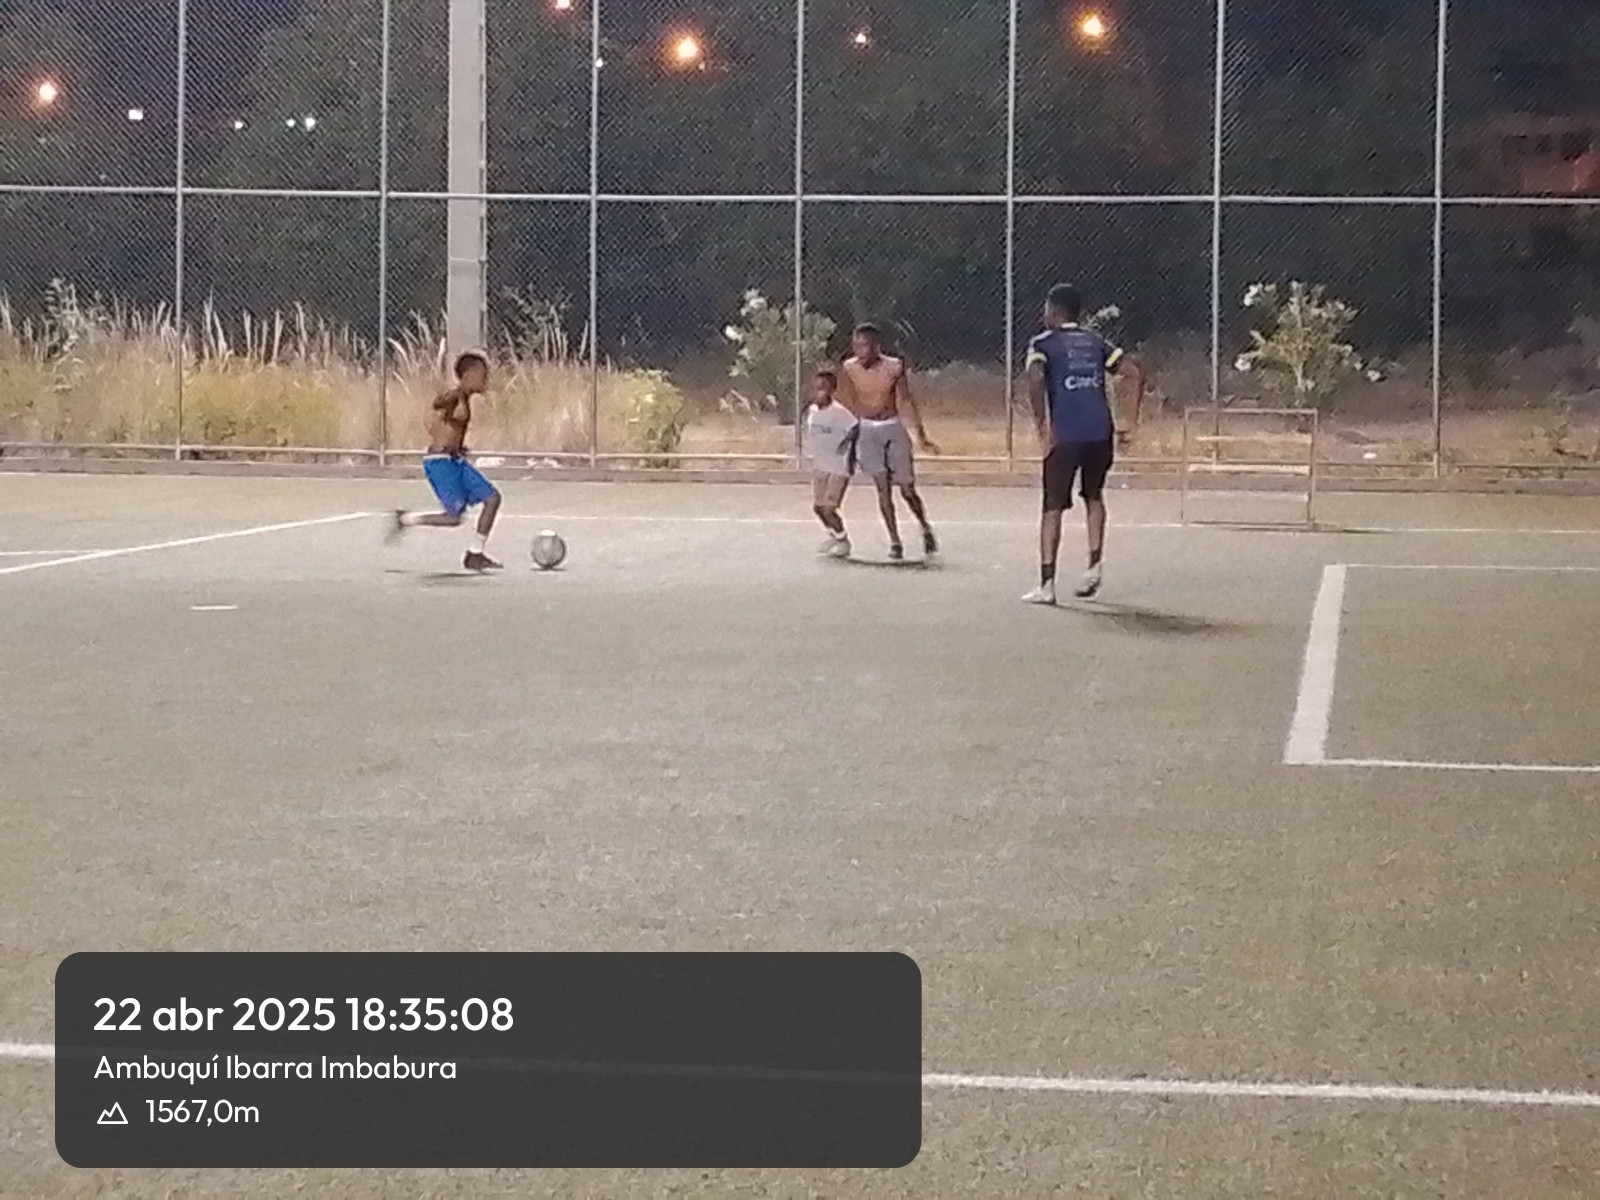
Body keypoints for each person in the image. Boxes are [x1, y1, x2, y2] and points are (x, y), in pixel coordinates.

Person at [1021, 284, 1145, 606]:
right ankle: (1094, 567)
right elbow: (1131, 372)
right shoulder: (1096, 341)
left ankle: (1047, 584)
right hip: (1100, 432)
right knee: (1094, 496)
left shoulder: (1042, 343)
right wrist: (1129, 421)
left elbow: (1035, 378)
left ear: (1053, 310)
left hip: (1065, 434)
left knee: (1052, 507)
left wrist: (1042, 427)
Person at [388, 351, 504, 572]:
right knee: (453, 518)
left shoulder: (465, 397)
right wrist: (447, 399)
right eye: (482, 375)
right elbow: (438, 405)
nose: (485, 380)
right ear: (468, 375)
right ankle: (406, 519)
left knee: (492, 499)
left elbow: (452, 428)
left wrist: (458, 446)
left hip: (455, 461)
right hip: (440, 462)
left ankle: (475, 554)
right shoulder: (456, 395)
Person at [837, 324, 940, 562]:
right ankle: (895, 540)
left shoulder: (893, 367)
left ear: (876, 346)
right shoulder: (849, 368)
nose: (860, 351)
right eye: (856, 346)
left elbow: (906, 401)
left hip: (892, 427)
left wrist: (921, 436)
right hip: (867, 430)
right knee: (882, 488)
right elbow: (847, 401)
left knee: (906, 488)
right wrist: (847, 434)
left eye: (865, 346)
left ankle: (924, 525)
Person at [805, 369, 858, 558]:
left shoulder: (839, 412)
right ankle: (834, 535)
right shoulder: (812, 410)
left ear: (832, 390)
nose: (818, 392)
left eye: (823, 388)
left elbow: (854, 428)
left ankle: (844, 541)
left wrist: (847, 449)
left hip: (838, 467)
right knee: (818, 507)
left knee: (829, 508)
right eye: (816, 388)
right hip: (821, 466)